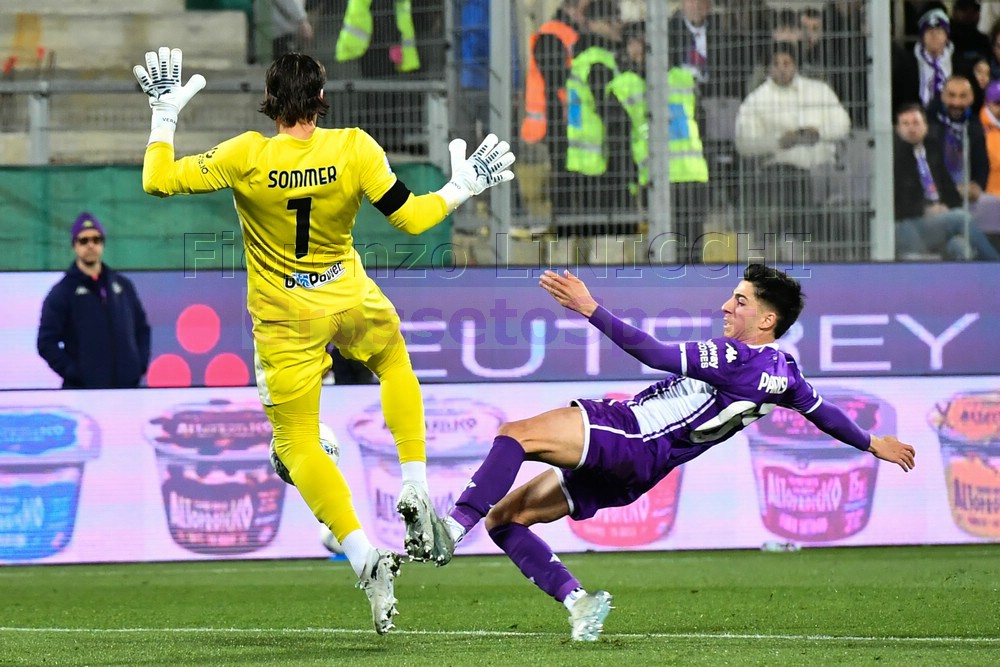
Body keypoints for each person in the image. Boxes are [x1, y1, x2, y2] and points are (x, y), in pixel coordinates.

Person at [132, 47, 514, 633]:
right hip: (349, 299)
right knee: (394, 364)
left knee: (296, 444)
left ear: (270, 100)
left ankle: (362, 555)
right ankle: (414, 483)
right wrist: (462, 185)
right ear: (320, 98)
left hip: (285, 319)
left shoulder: (245, 155)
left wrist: (164, 116)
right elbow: (412, 219)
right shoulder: (354, 147)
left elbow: (156, 181)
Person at [430, 263, 917, 642]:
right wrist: (873, 442)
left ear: (768, 320)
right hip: (644, 471)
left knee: (515, 434)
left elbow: (654, 354)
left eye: (740, 301)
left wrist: (588, 307)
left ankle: (449, 530)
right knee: (506, 520)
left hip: (634, 434)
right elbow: (823, 411)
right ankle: (579, 603)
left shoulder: (736, 356)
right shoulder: (785, 373)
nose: (726, 306)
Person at [735, 42, 851, 257]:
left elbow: (843, 123)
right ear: (768, 68)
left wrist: (819, 133)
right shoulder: (756, 99)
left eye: (786, 63)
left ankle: (804, 246)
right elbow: (744, 141)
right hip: (779, 173)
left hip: (822, 169)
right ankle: (791, 246)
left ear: (795, 65)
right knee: (789, 180)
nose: (781, 68)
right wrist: (778, 142)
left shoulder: (819, 90)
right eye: (776, 63)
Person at [37, 213, 151, 389]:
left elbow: (142, 329)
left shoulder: (123, 286)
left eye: (96, 240)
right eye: (84, 241)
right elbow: (46, 342)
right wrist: (74, 373)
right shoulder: (63, 292)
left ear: (102, 244)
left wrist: (139, 365)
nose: (90, 245)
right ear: (74, 246)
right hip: (84, 393)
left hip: (127, 391)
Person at [893, 102, 999, 260]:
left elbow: (949, 190)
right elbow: (898, 202)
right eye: (905, 124)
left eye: (916, 123)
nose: (911, 128)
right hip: (909, 224)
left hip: (938, 221)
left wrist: (947, 206)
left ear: (925, 126)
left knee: (959, 246)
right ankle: (996, 264)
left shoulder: (932, 150)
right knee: (961, 218)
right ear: (898, 129)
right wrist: (926, 210)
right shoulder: (894, 157)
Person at [520, 0, 591, 216]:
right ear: (572, 7)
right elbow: (554, 79)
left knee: (574, 177)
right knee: (564, 177)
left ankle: (571, 222)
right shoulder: (553, 33)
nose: (587, 16)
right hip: (559, 118)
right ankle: (564, 224)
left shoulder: (570, 32)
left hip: (572, 118)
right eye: (585, 10)